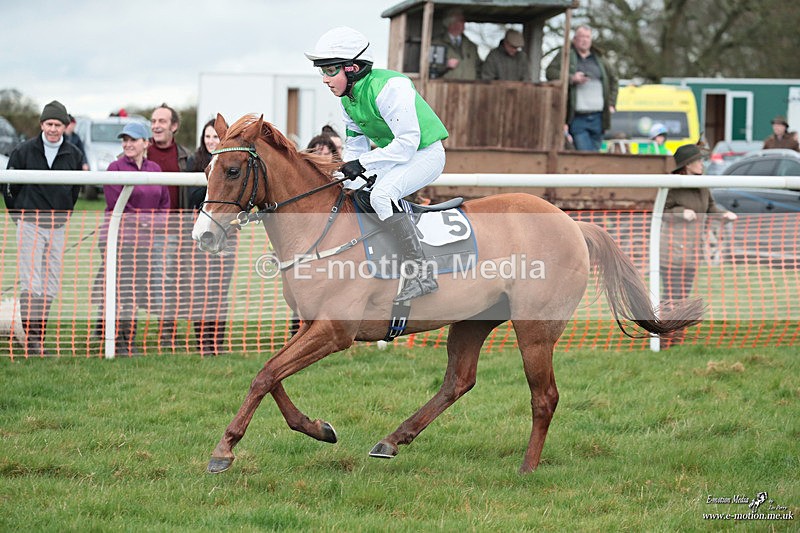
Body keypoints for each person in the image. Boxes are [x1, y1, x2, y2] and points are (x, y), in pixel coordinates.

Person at [306, 26, 449, 301]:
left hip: (425, 154)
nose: (325, 79)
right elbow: (355, 146)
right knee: (352, 193)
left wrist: (362, 163)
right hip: (395, 155)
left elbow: (407, 143)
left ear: (353, 68)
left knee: (381, 195)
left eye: (330, 70)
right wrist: (346, 176)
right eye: (322, 71)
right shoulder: (347, 100)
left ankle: (422, 274)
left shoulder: (390, 87)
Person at [2, 100, 82, 356]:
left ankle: (40, 334)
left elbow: (75, 191)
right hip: (29, 222)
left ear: (65, 126)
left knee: (51, 282)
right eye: (49, 124)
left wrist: (64, 214)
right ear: (41, 124)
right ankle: (31, 338)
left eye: (58, 124)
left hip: (57, 225)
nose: (53, 129)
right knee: (31, 281)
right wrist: (19, 215)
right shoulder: (23, 150)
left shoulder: (74, 154)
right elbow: (9, 188)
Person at [102, 122, 170, 356]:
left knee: (136, 293)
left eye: (132, 140)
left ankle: (129, 339)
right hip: (120, 241)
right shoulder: (115, 168)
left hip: (146, 244)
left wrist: (151, 223)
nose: (127, 144)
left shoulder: (155, 169)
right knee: (121, 292)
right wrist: (147, 222)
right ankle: (116, 341)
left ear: (145, 143)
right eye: (125, 140)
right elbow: (118, 206)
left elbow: (165, 203)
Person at [660, 143, 737, 348]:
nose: (702, 164)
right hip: (671, 251)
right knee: (671, 296)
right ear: (687, 165)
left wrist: (724, 215)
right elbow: (661, 211)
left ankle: (677, 337)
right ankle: (663, 338)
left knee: (683, 296)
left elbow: (711, 208)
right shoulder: (671, 185)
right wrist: (680, 212)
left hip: (692, 252)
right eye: (698, 161)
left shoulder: (703, 185)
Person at [187, 119, 237, 355]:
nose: (211, 141)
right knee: (201, 291)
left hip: (226, 235)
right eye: (207, 137)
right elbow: (191, 196)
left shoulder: (231, 164)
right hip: (202, 235)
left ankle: (217, 342)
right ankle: (202, 342)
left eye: (215, 137)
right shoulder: (194, 162)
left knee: (220, 292)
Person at [147, 104, 191, 348]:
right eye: (153, 121)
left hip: (173, 231)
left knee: (166, 282)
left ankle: (167, 332)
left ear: (174, 126)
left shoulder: (185, 157)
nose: (156, 126)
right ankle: (112, 332)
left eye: (162, 121)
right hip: (140, 231)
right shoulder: (141, 151)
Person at [545, 25, 618, 152]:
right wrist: (571, 78)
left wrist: (611, 103)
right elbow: (550, 72)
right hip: (578, 116)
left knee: (594, 154)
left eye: (587, 37)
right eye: (582, 37)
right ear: (575, 39)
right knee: (584, 152)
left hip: (598, 117)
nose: (585, 40)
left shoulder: (599, 58)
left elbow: (613, 80)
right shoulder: (566, 54)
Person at [431, 8, 481, 80]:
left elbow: (479, 69)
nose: (464, 23)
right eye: (461, 20)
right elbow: (430, 70)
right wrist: (445, 65)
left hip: (469, 86)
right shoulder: (437, 43)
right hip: (444, 86)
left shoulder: (471, 46)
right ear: (450, 23)